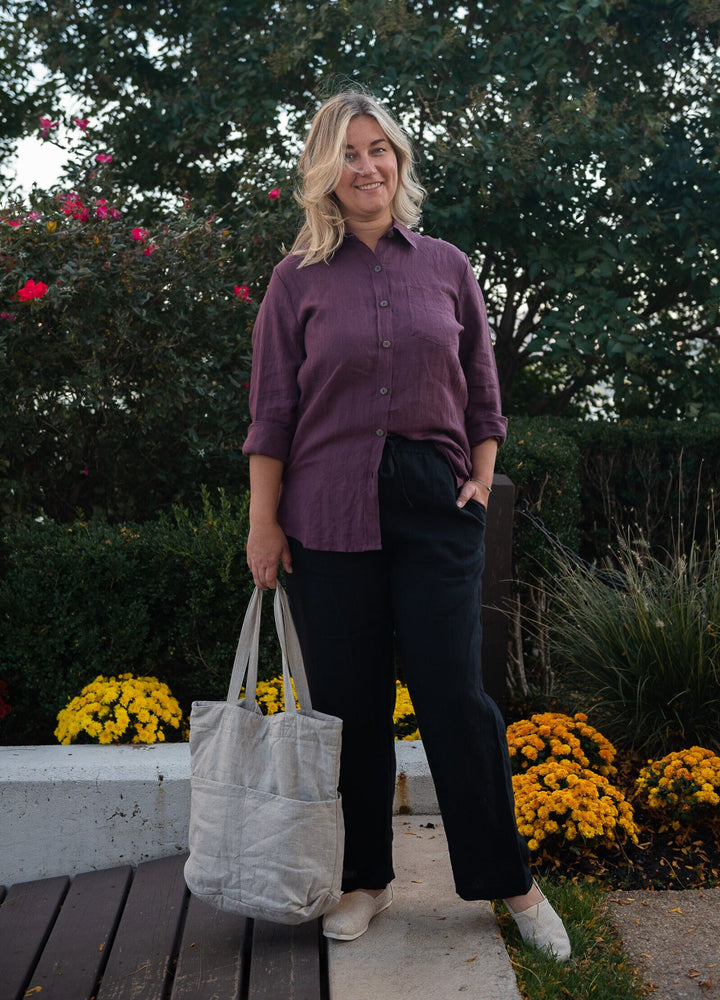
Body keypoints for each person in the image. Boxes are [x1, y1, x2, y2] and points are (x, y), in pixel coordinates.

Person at [242, 89, 571, 961]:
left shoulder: (448, 266)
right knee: (349, 708)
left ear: (400, 161)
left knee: (454, 699)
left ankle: (511, 882)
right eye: (348, 153)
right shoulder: (295, 281)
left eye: (379, 149)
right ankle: (364, 881)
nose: (367, 167)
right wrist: (263, 525)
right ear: (325, 170)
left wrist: (480, 484)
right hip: (326, 512)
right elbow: (272, 412)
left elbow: (484, 393)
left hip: (435, 508)